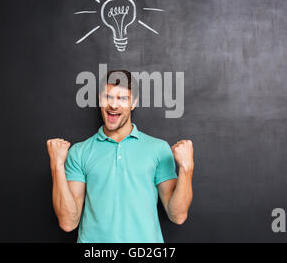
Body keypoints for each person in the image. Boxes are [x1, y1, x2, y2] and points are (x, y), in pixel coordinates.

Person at [46, 70, 194, 242]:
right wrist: (57, 166)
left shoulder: (158, 149)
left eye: (122, 98)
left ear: (133, 103)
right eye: (108, 97)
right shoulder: (79, 152)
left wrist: (186, 168)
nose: (113, 105)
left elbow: (178, 216)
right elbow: (68, 222)